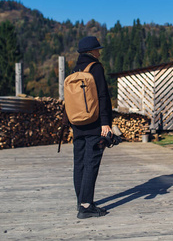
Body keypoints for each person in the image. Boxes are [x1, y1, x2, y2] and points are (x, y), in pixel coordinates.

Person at [69, 36, 112, 219]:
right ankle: (86, 206)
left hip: (77, 124)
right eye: (97, 50)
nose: (99, 52)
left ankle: (81, 201)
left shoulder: (74, 70)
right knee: (91, 163)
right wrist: (105, 122)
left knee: (79, 164)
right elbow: (102, 96)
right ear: (91, 52)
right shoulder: (95, 68)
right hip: (95, 124)